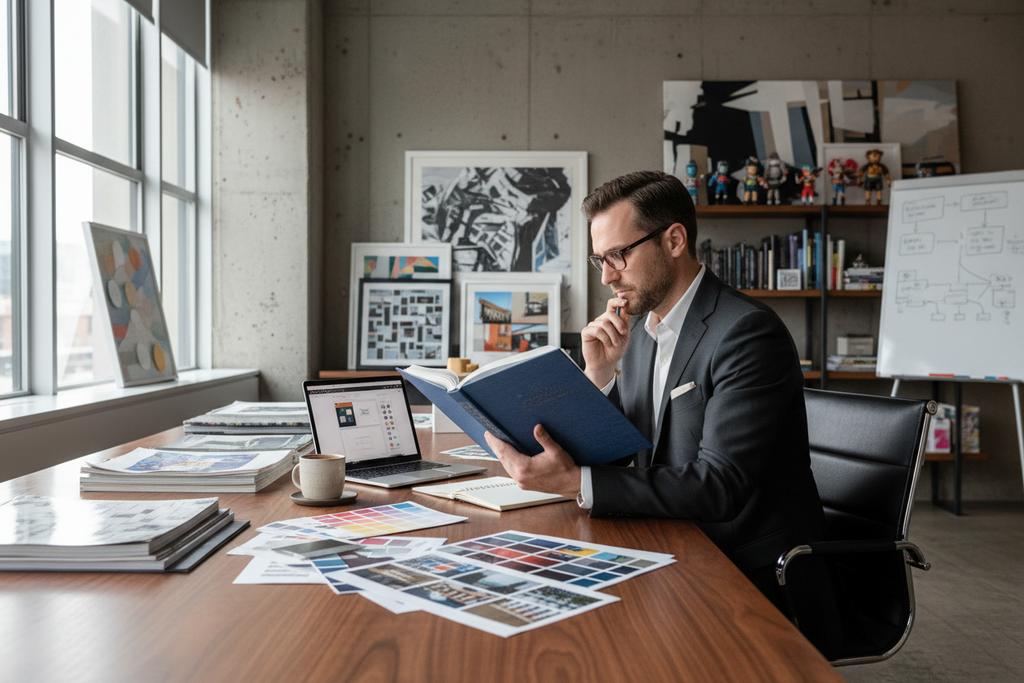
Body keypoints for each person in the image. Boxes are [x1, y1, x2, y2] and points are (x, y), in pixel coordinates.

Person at [486, 170, 841, 656]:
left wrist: (574, 483)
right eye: (600, 260)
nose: (608, 276)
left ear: (674, 239)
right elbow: (625, 452)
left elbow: (719, 486)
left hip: (748, 570)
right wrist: (600, 377)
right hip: (668, 541)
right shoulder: (640, 332)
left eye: (618, 255)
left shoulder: (746, 334)